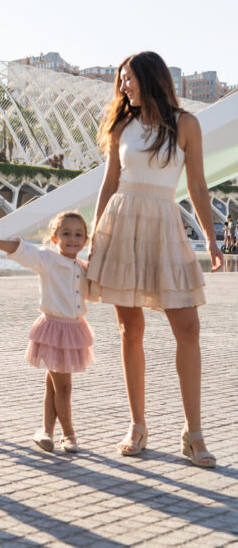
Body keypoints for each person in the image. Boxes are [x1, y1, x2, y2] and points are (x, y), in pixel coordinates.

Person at [86, 51, 222, 468]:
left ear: (150, 78)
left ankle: (193, 432)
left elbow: (197, 186)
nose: (123, 85)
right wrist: (94, 237)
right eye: (120, 80)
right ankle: (137, 425)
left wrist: (211, 240)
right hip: (122, 223)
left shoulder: (186, 124)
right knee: (130, 329)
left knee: (189, 327)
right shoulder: (121, 126)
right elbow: (109, 184)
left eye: (128, 78)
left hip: (164, 224)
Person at [0, 212, 93, 453]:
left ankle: (46, 432)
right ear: (54, 238)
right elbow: (23, 250)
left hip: (74, 330)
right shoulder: (48, 259)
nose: (72, 239)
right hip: (54, 330)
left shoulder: (83, 267)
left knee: (54, 386)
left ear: (85, 240)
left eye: (78, 234)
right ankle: (69, 435)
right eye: (66, 233)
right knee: (64, 387)